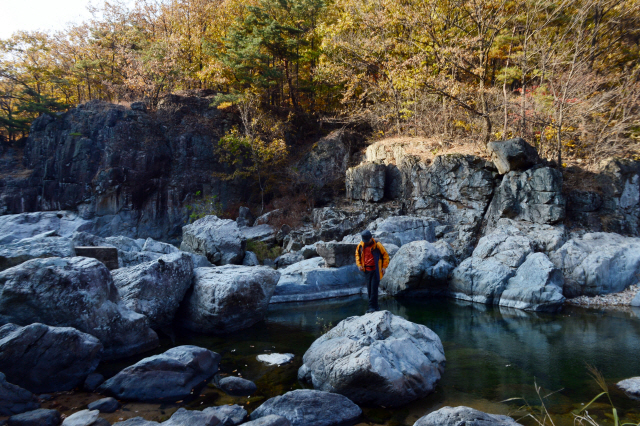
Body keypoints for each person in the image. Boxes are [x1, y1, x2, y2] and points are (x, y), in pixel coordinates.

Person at [355, 230, 390, 313]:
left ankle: (371, 307)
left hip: (376, 270)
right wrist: (359, 265)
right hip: (366, 270)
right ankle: (376, 307)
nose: (366, 242)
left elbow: (385, 255)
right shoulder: (361, 245)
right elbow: (357, 255)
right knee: (369, 289)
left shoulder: (377, 245)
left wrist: (384, 267)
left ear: (371, 238)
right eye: (365, 241)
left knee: (374, 289)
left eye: (367, 240)